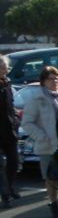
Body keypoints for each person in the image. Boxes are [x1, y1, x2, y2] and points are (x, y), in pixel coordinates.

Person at [21, 66, 58, 218]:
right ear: (43, 81)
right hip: (47, 144)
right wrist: (42, 136)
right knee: (51, 177)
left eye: (57, 78)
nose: (55, 81)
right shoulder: (36, 99)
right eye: (51, 78)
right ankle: (54, 204)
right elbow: (27, 123)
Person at [0, 55, 20, 207]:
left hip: (9, 129)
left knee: (14, 161)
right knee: (1, 165)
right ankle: (5, 194)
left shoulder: (7, 84)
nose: (6, 69)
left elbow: (10, 105)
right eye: (3, 67)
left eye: (6, 66)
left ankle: (11, 187)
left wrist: (15, 119)